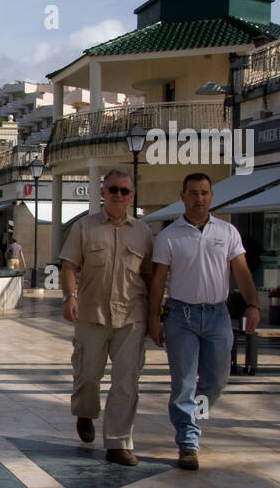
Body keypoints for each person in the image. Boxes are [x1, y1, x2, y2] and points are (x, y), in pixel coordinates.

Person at [148, 173, 261, 469]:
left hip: (217, 315)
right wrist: (153, 318)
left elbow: (242, 272)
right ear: (183, 196)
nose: (199, 198)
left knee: (217, 380)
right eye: (194, 193)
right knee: (184, 383)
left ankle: (191, 418)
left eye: (205, 193)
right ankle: (188, 441)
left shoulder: (227, 232)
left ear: (212, 196)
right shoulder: (169, 236)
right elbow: (158, 281)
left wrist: (253, 305)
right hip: (180, 315)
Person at [59, 169, 155, 465]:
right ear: (102, 193)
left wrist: (155, 315)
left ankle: (118, 442)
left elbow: (151, 276)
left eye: (125, 191)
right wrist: (69, 297)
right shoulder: (84, 228)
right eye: (113, 189)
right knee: (88, 376)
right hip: (92, 314)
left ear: (132, 196)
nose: (118, 195)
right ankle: (85, 412)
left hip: (131, 316)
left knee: (126, 381)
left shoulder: (144, 232)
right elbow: (69, 266)